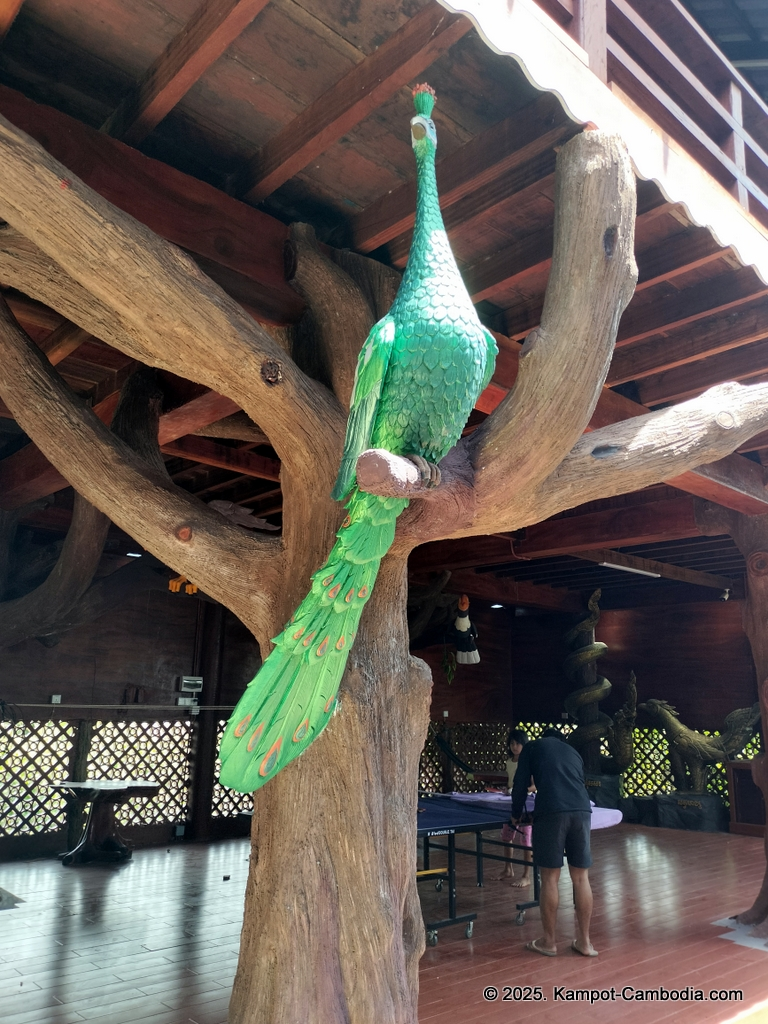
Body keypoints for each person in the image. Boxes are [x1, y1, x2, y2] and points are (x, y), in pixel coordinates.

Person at [510, 728, 597, 958]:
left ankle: (549, 942)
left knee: (550, 878)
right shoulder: (573, 752)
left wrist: (515, 814)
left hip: (552, 811)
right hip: (582, 811)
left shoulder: (532, 748)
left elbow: (520, 784)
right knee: (581, 877)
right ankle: (585, 943)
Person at [497, 729, 534, 886]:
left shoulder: (529, 762)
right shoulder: (509, 762)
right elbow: (510, 782)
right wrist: (508, 790)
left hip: (526, 804)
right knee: (507, 837)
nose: (515, 746)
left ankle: (526, 875)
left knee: (525, 841)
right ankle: (508, 869)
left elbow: (534, 786)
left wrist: (521, 791)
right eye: (512, 743)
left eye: (518, 743)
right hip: (511, 803)